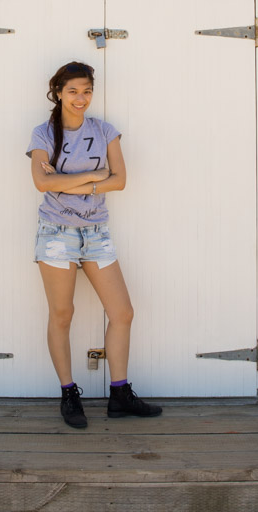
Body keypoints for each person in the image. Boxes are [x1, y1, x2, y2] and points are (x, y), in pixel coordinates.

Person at [26, 61, 162, 429]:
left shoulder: (105, 131)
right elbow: (41, 183)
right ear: (57, 92)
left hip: (96, 233)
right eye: (72, 91)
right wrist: (93, 177)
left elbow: (120, 181)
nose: (80, 98)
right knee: (62, 315)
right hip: (56, 233)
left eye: (86, 90)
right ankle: (69, 393)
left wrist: (66, 181)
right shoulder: (43, 134)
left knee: (122, 313)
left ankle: (119, 394)